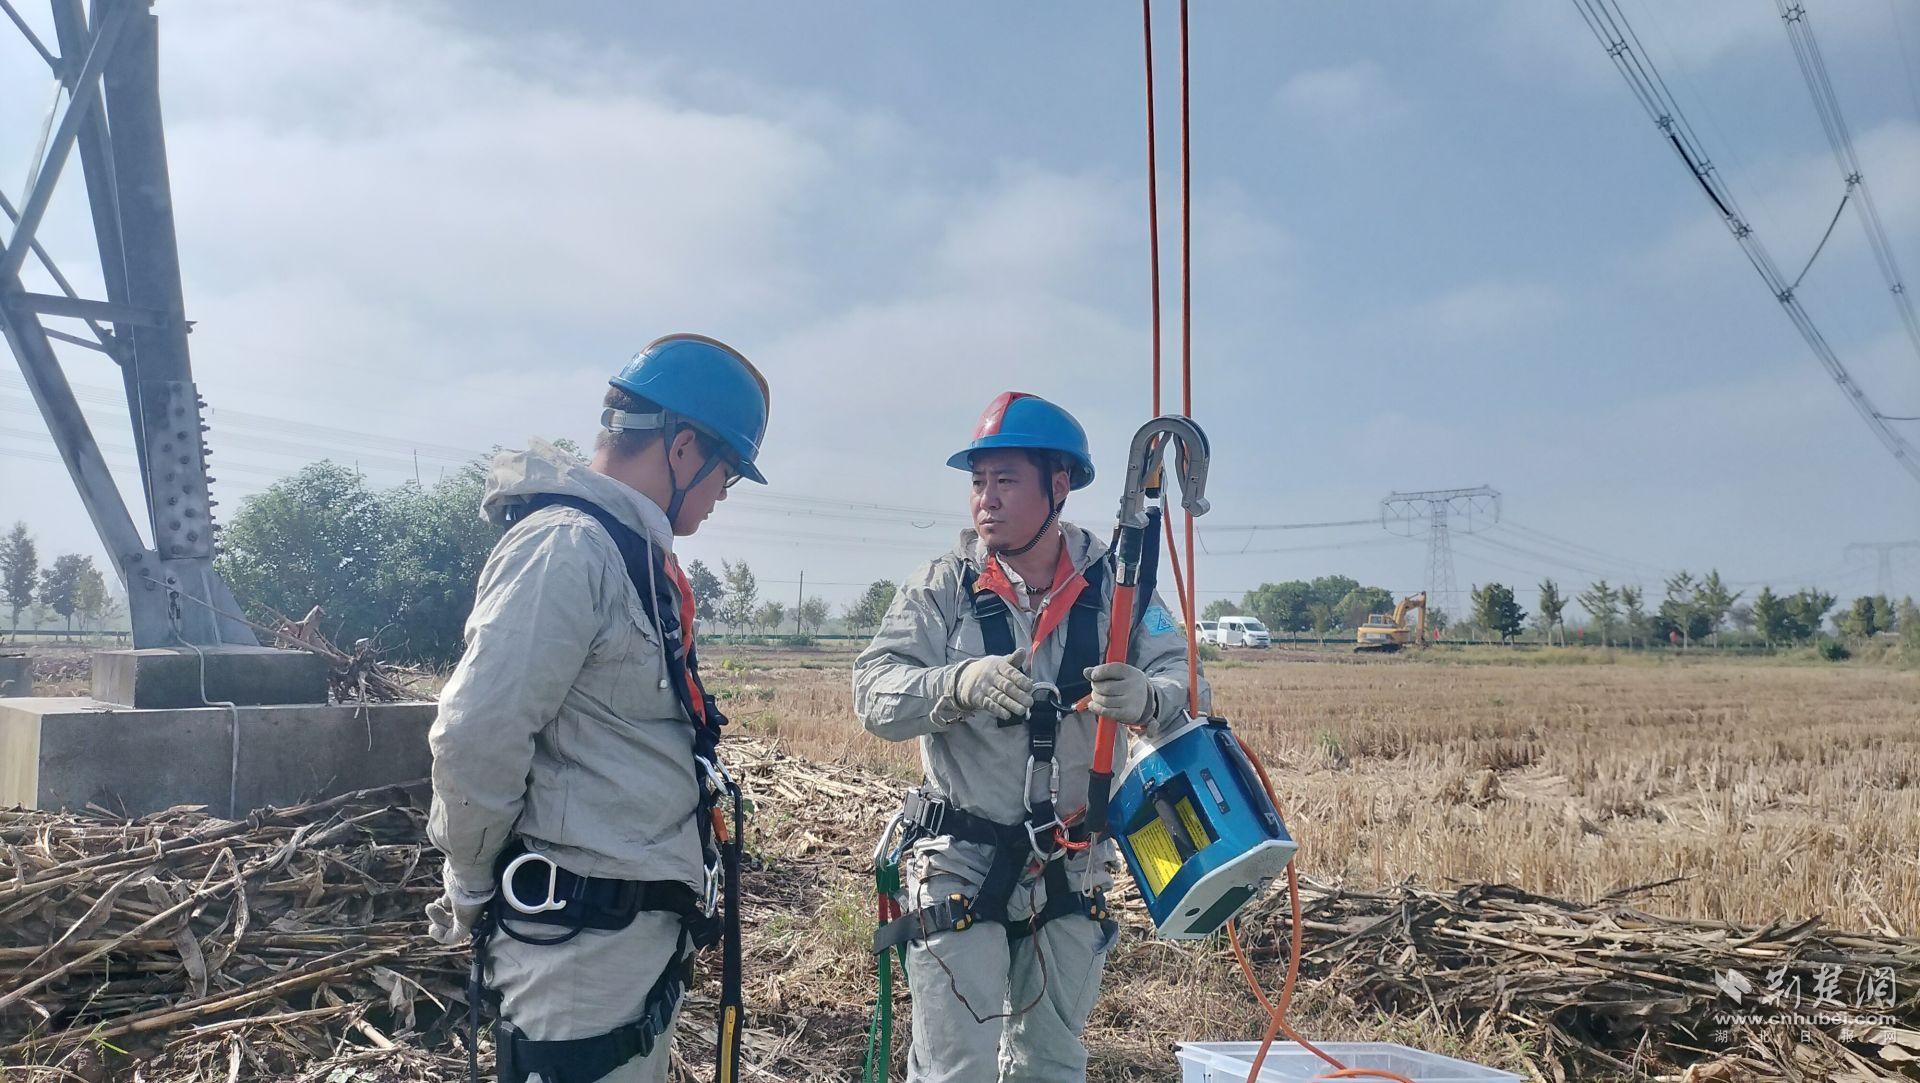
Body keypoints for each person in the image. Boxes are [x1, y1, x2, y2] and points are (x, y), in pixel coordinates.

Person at [424, 333, 768, 1083]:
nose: (721, 495)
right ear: (683, 448)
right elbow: (478, 732)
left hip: (623, 940)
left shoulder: (626, 552)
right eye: (726, 473)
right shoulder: (567, 547)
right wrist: (471, 880)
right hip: (576, 950)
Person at [854, 391, 1205, 1082]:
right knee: (956, 1069)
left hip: (1072, 868)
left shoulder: (1120, 585)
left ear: (1059, 485)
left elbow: (1187, 682)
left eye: (1006, 480)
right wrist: (957, 683)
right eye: (978, 482)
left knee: (1051, 1064)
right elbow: (873, 693)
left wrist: (1150, 697)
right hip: (961, 862)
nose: (985, 499)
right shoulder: (943, 587)